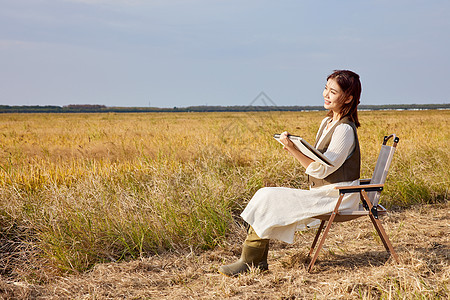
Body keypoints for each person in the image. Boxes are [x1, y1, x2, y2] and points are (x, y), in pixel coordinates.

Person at [218, 70, 362, 276]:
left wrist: (294, 150)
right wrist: (297, 147)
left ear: (348, 98)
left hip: (339, 196)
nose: (326, 95)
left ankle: (251, 260)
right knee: (266, 194)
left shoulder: (345, 130)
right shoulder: (327, 122)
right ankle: (253, 260)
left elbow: (323, 169)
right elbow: (320, 159)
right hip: (326, 192)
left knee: (268, 196)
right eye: (325, 89)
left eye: (333, 92)